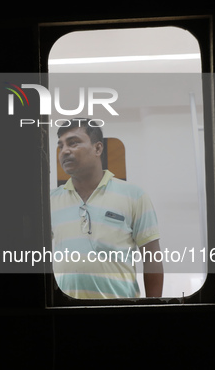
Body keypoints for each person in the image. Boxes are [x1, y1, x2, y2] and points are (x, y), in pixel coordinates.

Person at [51, 119, 163, 299]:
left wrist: (154, 308)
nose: (65, 151)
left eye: (73, 143)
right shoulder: (50, 200)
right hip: (64, 313)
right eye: (61, 146)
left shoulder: (134, 195)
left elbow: (152, 258)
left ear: (98, 148)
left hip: (121, 312)